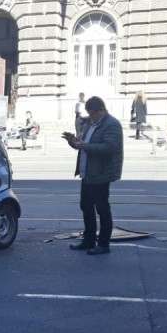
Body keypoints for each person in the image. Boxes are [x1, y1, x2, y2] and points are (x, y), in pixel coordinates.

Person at [61, 96, 124, 256]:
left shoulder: (112, 124)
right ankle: (89, 240)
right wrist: (73, 141)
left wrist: (85, 146)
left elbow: (110, 147)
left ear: (101, 110)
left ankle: (103, 243)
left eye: (93, 113)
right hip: (88, 172)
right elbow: (82, 143)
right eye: (89, 114)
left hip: (102, 173)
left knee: (102, 208)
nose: (91, 116)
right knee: (86, 206)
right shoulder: (91, 124)